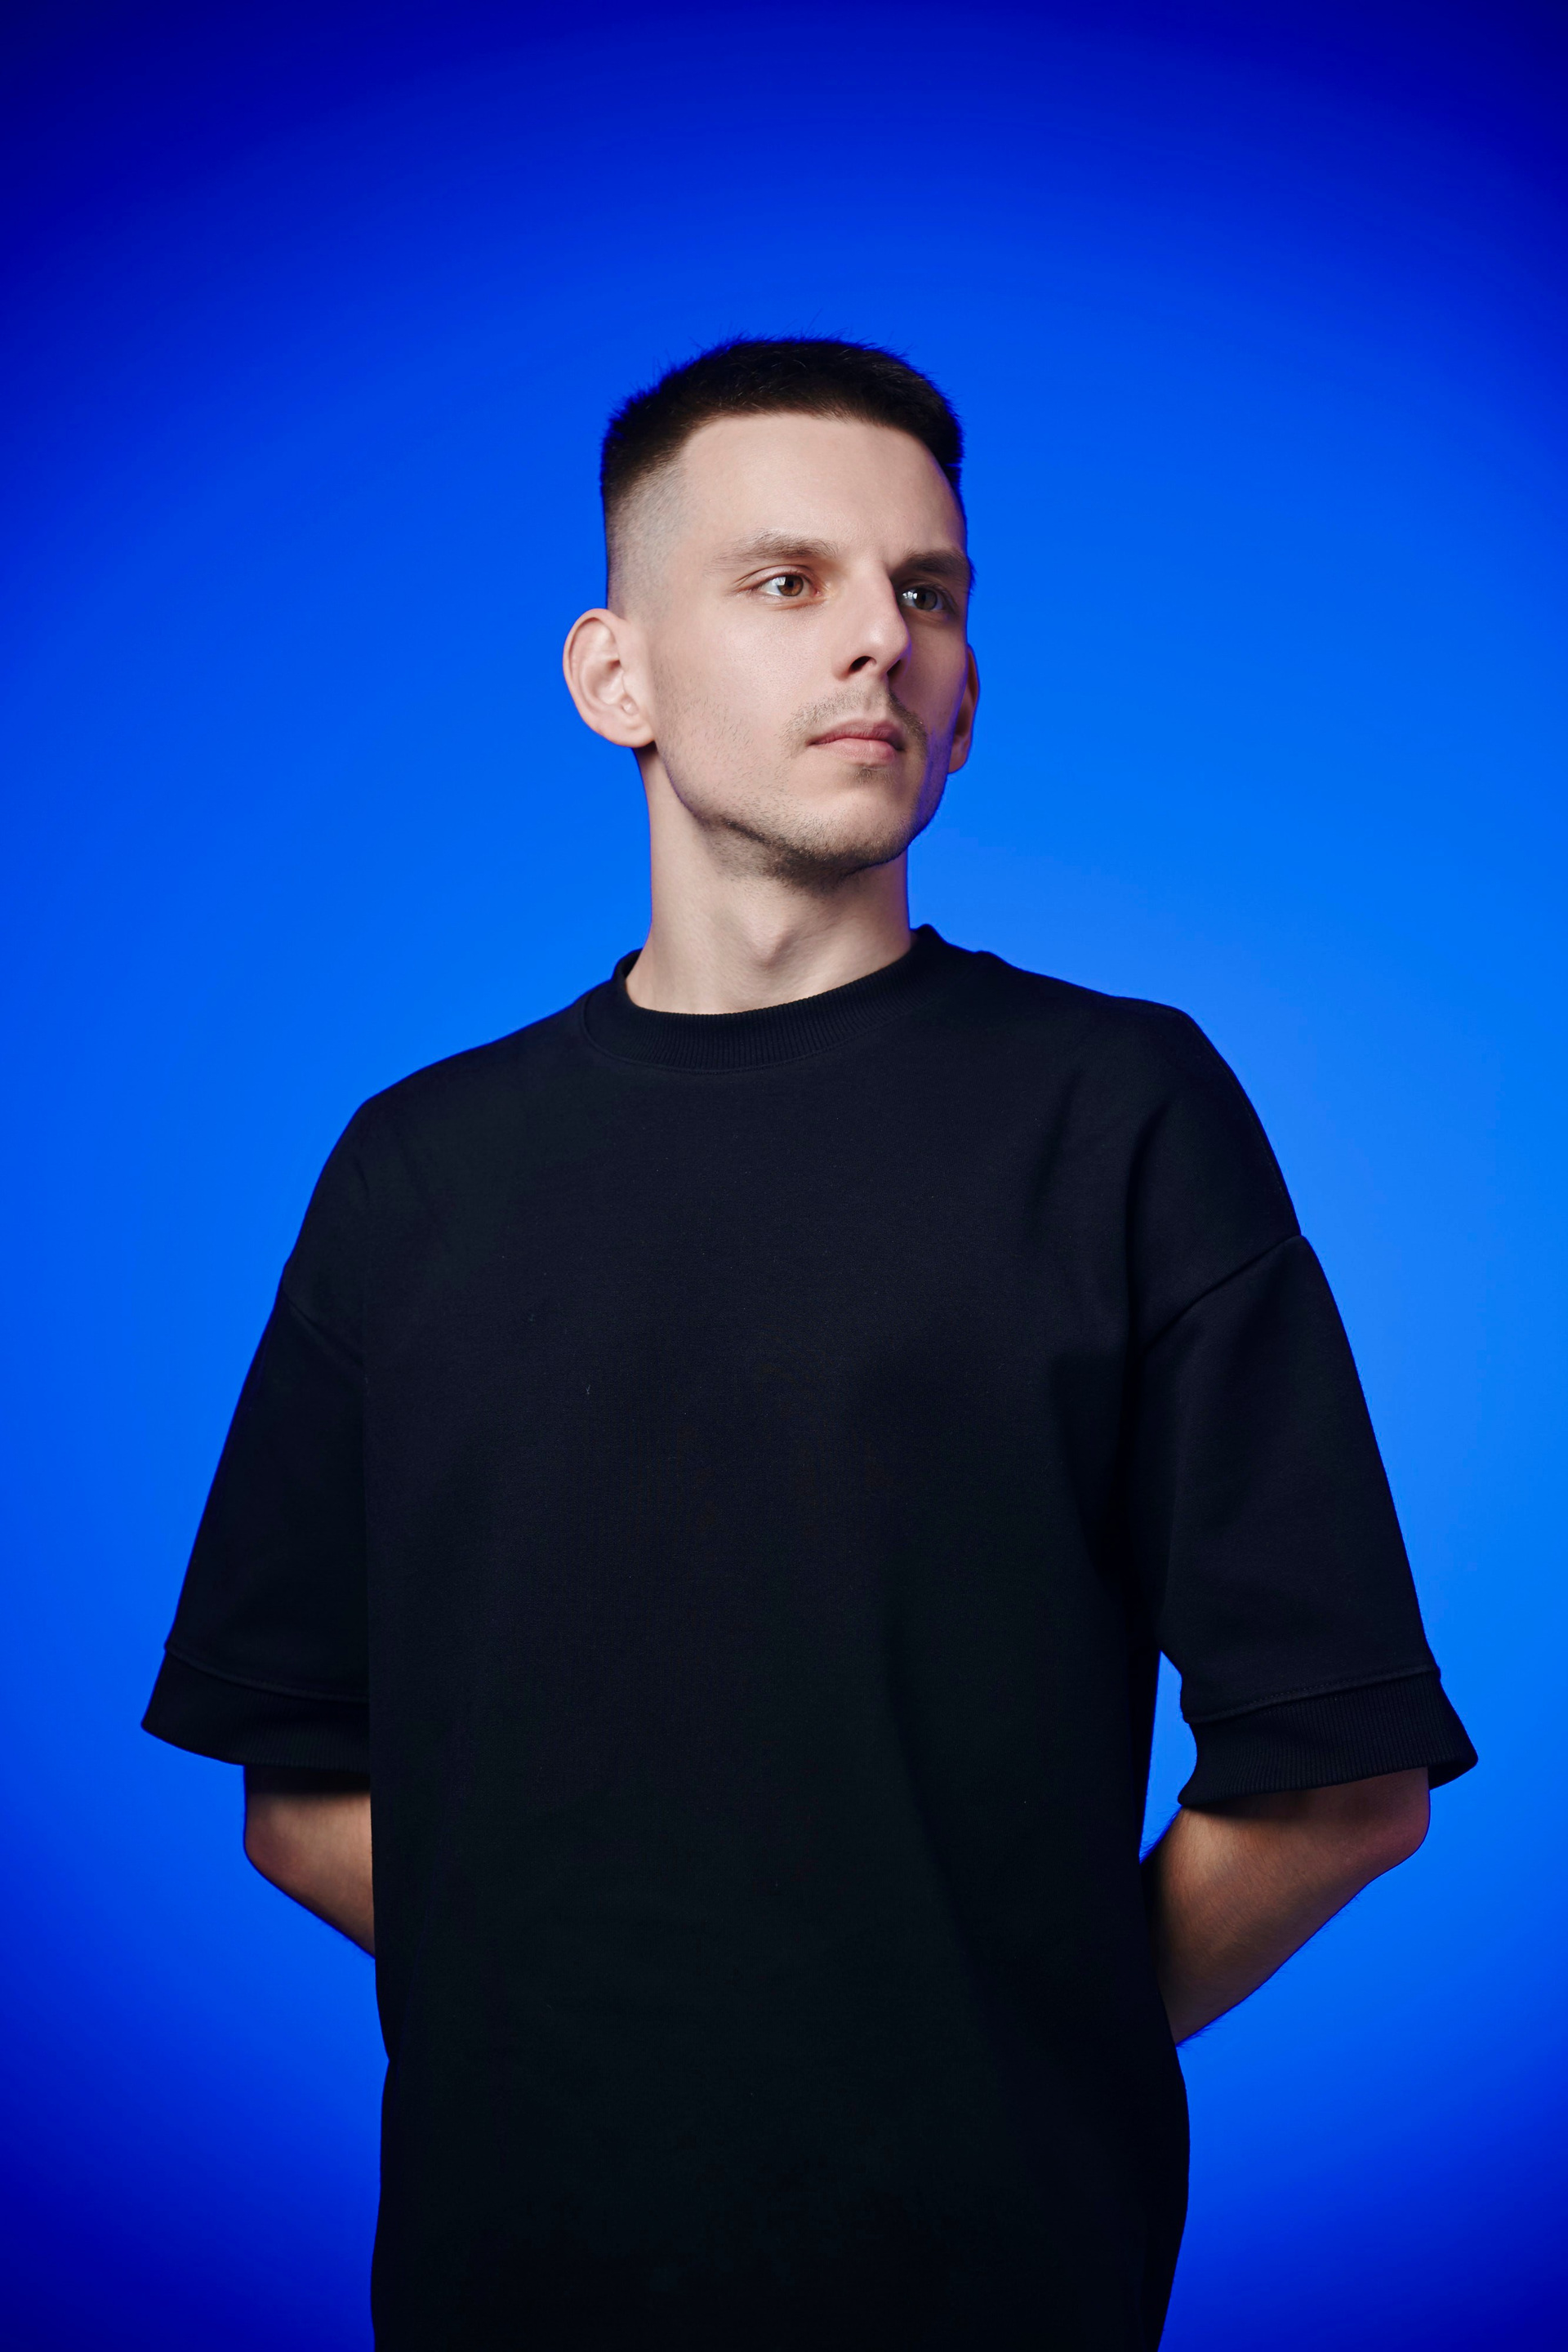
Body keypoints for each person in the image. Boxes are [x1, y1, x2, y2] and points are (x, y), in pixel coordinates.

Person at [144, 337, 1475, 2350]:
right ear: (616, 678)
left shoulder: (1119, 1114)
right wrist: (606, 2047)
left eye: (925, 590)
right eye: (788, 581)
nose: (880, 639)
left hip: (989, 2292)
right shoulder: (415, 1170)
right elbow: (297, 1780)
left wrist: (995, 2050)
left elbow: (1342, 1779)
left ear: (968, 690)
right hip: (504, 2284)